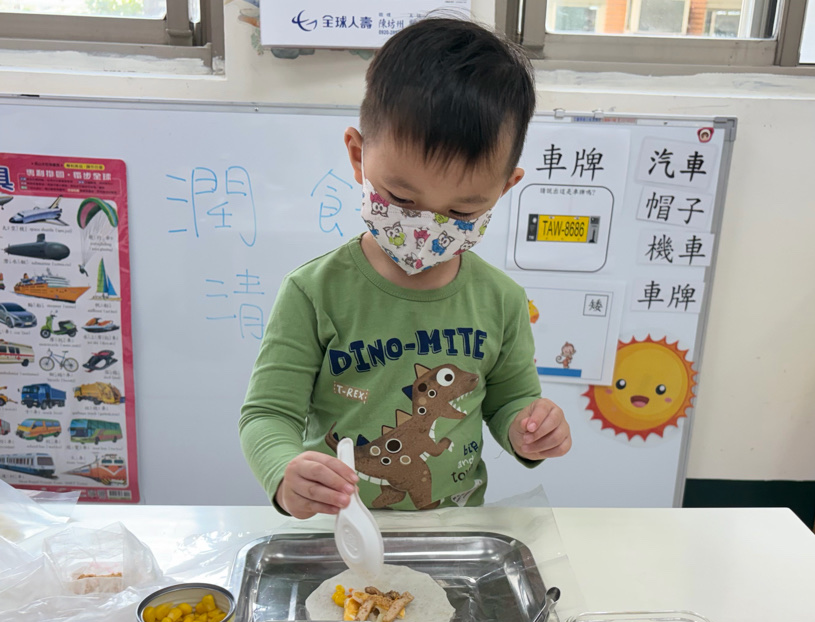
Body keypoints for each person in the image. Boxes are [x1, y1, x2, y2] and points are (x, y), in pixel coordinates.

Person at [240, 17, 572, 519]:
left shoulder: (501, 300)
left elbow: (510, 402)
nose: (426, 226)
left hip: (453, 529)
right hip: (340, 525)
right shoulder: (313, 292)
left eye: (461, 211)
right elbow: (268, 413)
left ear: (504, 188)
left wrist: (531, 430)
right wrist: (284, 471)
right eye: (401, 197)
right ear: (359, 156)